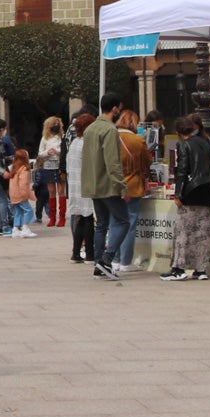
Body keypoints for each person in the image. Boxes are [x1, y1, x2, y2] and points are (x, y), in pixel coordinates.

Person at [161, 115, 210, 281]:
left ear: (179, 131)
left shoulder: (183, 145)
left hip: (191, 192)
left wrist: (178, 193)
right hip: (207, 191)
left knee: (183, 231)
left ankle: (178, 267)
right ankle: (201, 269)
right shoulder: (205, 143)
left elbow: (182, 171)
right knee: (203, 232)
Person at [81, 92, 129, 280]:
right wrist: (122, 186)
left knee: (101, 224)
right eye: (120, 108)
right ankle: (106, 260)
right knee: (123, 221)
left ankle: (98, 263)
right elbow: (113, 162)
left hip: (93, 183)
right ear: (115, 108)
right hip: (108, 184)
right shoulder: (109, 130)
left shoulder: (90, 129)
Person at [115, 109, 152, 273]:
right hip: (132, 186)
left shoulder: (111, 138)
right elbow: (147, 162)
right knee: (130, 224)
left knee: (114, 223)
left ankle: (114, 259)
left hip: (113, 186)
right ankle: (125, 260)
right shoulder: (138, 140)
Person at [66, 113, 96, 263]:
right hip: (85, 184)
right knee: (88, 218)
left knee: (81, 219)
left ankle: (76, 252)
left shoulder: (74, 142)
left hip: (74, 184)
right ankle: (90, 253)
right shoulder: (87, 142)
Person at [38, 116, 66, 227]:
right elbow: (40, 153)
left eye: (58, 123)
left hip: (59, 165)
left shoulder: (62, 137)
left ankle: (62, 217)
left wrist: (57, 151)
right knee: (51, 191)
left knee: (61, 191)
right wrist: (46, 153)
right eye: (54, 123)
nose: (56, 125)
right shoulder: (44, 138)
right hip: (48, 165)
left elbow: (64, 151)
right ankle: (52, 217)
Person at [8, 149, 38, 238]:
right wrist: (25, 194)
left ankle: (15, 229)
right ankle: (25, 228)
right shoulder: (24, 169)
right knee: (28, 210)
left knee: (18, 212)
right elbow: (24, 184)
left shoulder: (14, 168)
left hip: (13, 195)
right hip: (21, 194)